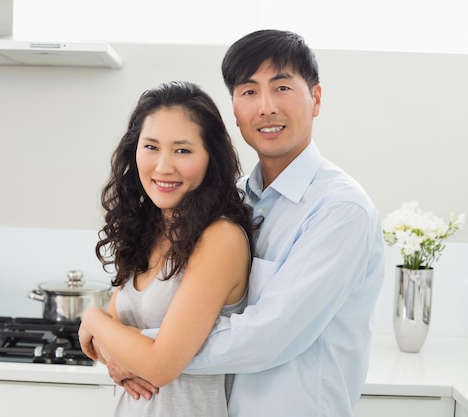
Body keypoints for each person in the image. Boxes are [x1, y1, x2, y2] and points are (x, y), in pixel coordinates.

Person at [89, 30, 386, 417]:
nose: (265, 107)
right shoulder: (231, 199)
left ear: (315, 98)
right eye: (249, 92)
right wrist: (117, 341)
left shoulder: (341, 211)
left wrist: (129, 345)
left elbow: (269, 337)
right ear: (234, 109)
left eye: (281, 88)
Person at [78, 80, 254, 416]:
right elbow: (104, 345)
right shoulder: (150, 227)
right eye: (151, 147)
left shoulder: (221, 237)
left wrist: (91, 317)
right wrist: (115, 342)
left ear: (210, 158)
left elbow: (160, 366)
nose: (163, 166)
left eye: (183, 150)